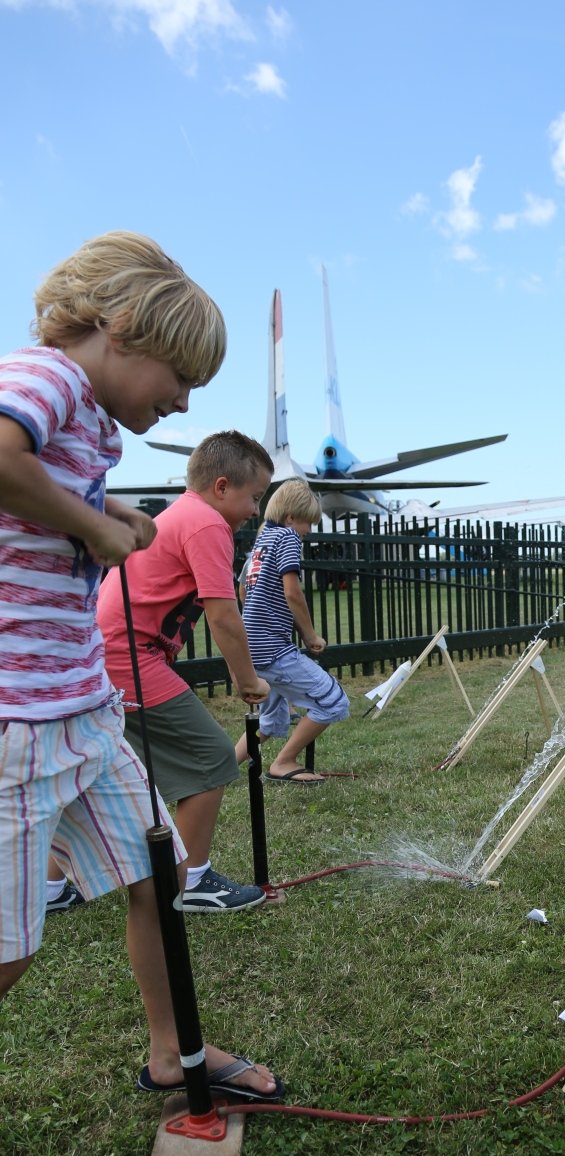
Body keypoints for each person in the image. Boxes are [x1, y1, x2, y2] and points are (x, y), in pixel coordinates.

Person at [0, 230, 281, 1100]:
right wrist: (91, 526)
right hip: (17, 720)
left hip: (83, 709)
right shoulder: (44, 376)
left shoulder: (84, 414)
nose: (184, 403)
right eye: (180, 379)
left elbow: (42, 481)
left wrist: (110, 509)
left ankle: (175, 1054)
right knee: (9, 947)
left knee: (158, 877)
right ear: (122, 331)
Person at [96, 431, 274, 912]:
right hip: (127, 656)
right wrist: (246, 679)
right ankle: (193, 880)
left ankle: (51, 887)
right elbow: (223, 615)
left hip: (112, 654)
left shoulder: (183, 515)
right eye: (254, 497)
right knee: (211, 757)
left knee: (90, 769)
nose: (256, 511)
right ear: (221, 487)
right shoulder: (207, 524)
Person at [233, 479, 350, 784]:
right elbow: (292, 593)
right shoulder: (287, 538)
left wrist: (261, 619)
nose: (309, 531)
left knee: (271, 720)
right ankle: (283, 762)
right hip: (273, 648)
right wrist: (310, 636)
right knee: (333, 700)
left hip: (252, 645)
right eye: (307, 523)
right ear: (290, 518)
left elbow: (244, 588)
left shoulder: (262, 541)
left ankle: (224, 767)